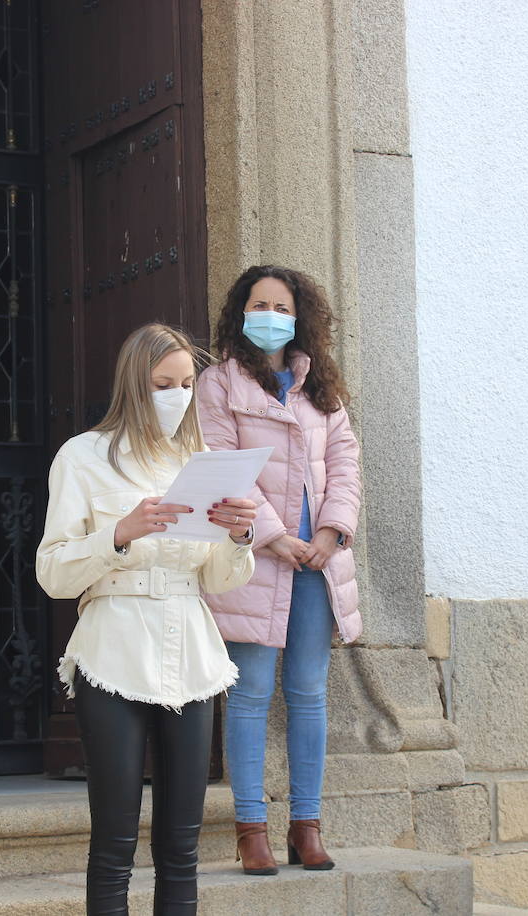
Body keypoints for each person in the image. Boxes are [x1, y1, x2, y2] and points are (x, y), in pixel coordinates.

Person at [36, 323, 258, 915]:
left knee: (182, 847)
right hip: (113, 648)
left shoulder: (203, 461)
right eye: (163, 384)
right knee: (114, 841)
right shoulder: (82, 457)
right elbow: (53, 573)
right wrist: (119, 534)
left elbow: (220, 578)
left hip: (192, 651)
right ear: (135, 383)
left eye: (186, 384)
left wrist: (240, 536)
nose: (178, 396)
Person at [195, 265, 362, 875]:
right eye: (260, 304)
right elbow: (219, 461)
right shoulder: (218, 383)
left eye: (282, 307)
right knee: (250, 693)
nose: (271, 316)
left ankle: (306, 826)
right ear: (241, 312)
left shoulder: (320, 386)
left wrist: (330, 531)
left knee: (309, 692)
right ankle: (251, 829)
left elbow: (345, 461)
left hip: (320, 561)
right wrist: (274, 536)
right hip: (255, 558)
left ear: (300, 318)